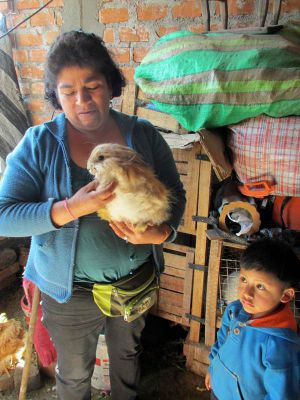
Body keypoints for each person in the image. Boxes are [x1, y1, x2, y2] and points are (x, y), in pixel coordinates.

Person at [0, 30, 186, 400]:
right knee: (73, 371)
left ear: (111, 85)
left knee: (128, 356)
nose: (82, 100)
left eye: (93, 86)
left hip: (133, 282)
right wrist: (72, 207)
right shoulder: (39, 144)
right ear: (55, 93)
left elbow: (175, 196)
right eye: (68, 91)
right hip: (69, 294)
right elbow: (5, 216)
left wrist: (161, 234)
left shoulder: (143, 135)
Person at [205, 238, 300, 400]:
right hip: (218, 388)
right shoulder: (234, 310)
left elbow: (281, 395)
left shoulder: (280, 345)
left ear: (285, 295)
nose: (246, 293)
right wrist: (213, 367)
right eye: (244, 280)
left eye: (260, 286)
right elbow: (221, 340)